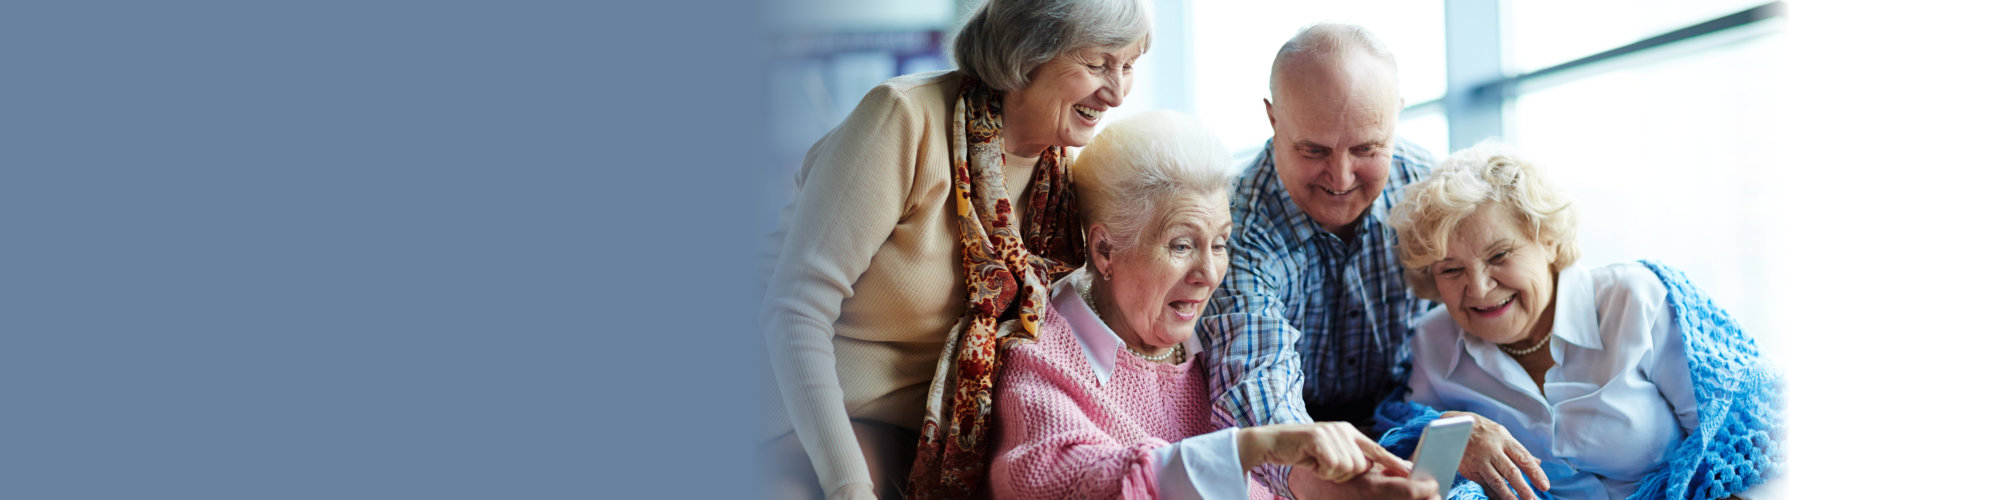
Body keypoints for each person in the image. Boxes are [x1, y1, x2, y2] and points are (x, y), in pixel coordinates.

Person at [757, 0, 1152, 498]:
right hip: (803, 421)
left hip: (928, 444)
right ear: (1026, 52)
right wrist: (847, 485)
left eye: (1129, 66)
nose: (1116, 94)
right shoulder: (905, 118)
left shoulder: (1067, 179)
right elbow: (795, 309)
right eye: (1097, 64)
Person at [987, 111, 1412, 500]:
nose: (1208, 274)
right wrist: (1249, 450)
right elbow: (1056, 481)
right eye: (1182, 245)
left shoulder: (1221, 341)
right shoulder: (1044, 357)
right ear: (1104, 250)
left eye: (1221, 243)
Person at [1376, 143, 1785, 500]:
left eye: (1499, 256)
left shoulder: (1635, 298)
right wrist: (1449, 434)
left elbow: (1749, 441)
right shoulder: (1433, 340)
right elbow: (1419, 482)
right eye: (1451, 270)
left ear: (1548, 240)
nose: (1479, 288)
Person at [1195, 22, 1477, 500]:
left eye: (1367, 148)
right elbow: (1255, 379)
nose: (1342, 177)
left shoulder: (1426, 186)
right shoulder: (1232, 226)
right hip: (1304, 455)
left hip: (1412, 416)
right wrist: (1319, 472)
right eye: (1314, 150)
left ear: (1397, 116)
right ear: (1273, 120)